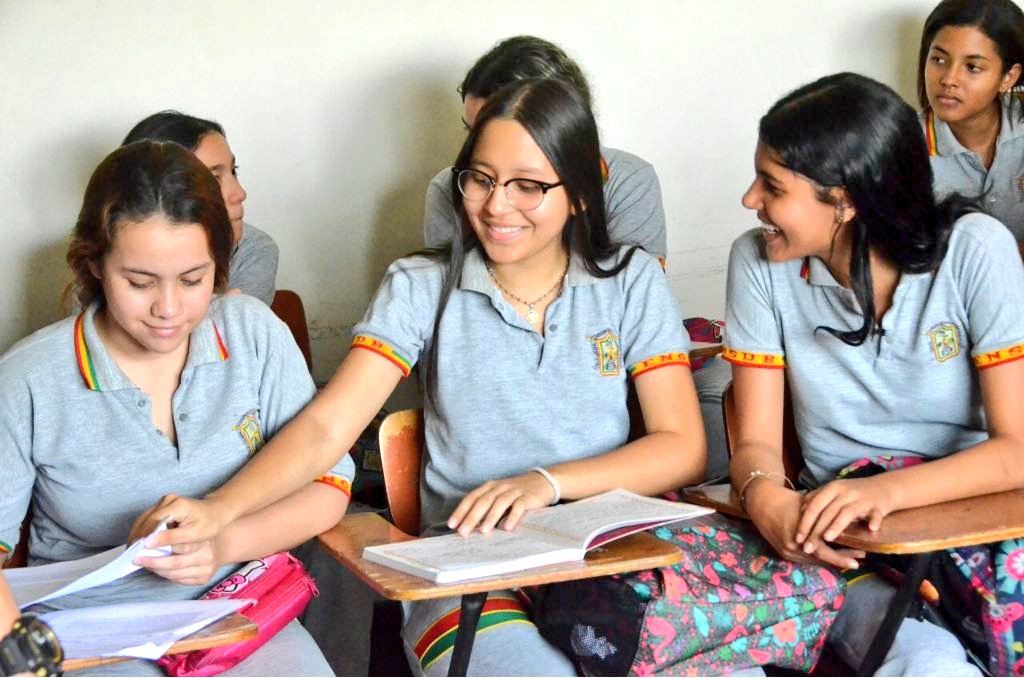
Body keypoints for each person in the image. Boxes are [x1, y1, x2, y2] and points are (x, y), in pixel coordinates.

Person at [139, 77, 705, 676]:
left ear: (583, 192)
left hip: (611, 562)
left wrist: (546, 482)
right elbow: (329, 426)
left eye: (528, 186)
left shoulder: (631, 281)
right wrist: (222, 510)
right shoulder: (419, 285)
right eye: (480, 179)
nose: (496, 206)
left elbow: (683, 446)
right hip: (467, 575)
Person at [0, 141, 354, 676]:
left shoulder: (252, 333)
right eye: (139, 282)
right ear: (94, 264)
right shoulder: (30, 379)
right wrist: (21, 656)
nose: (168, 309)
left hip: (238, 615)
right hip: (89, 637)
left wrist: (221, 543)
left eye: (193, 280)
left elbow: (328, 486)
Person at [724, 71, 1024, 676]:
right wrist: (766, 497)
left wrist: (883, 491)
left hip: (983, 525)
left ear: (846, 200)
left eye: (772, 186)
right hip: (848, 549)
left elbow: (1018, 451)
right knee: (930, 666)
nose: (750, 200)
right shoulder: (758, 263)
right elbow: (754, 441)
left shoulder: (974, 251)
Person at [422, 36, 668, 265]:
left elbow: (640, 293)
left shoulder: (629, 180)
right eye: (472, 132)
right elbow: (450, 292)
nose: (495, 206)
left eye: (528, 187)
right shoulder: (449, 189)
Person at [123, 111, 280, 305]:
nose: (240, 193)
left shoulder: (253, 250)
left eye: (233, 171)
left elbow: (235, 329)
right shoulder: (97, 246)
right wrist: (217, 312)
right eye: (213, 179)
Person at [917, 0, 1024, 241]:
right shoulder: (903, 148)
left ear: (1008, 77)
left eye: (972, 67)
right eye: (939, 60)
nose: (949, 79)